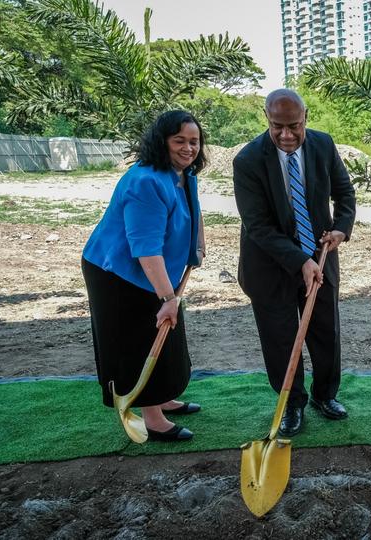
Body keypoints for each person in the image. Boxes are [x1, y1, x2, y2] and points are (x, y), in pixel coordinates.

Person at [233, 89, 356, 437]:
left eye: (294, 126)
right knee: (281, 339)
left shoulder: (323, 144)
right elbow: (258, 225)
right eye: (277, 127)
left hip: (321, 258)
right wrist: (299, 259)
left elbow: (345, 194)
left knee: (325, 332)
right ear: (266, 119)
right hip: (270, 266)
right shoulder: (247, 161)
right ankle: (292, 402)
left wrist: (341, 231)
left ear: (306, 118)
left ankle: (324, 396)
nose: (286, 135)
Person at [82, 110, 207, 442]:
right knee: (141, 338)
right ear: (161, 141)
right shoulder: (146, 181)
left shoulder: (184, 173)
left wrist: (198, 243)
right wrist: (168, 298)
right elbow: (145, 248)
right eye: (179, 140)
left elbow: (193, 208)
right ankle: (153, 417)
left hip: (157, 268)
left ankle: (164, 396)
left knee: (167, 333)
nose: (188, 148)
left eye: (193, 141)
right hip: (120, 272)